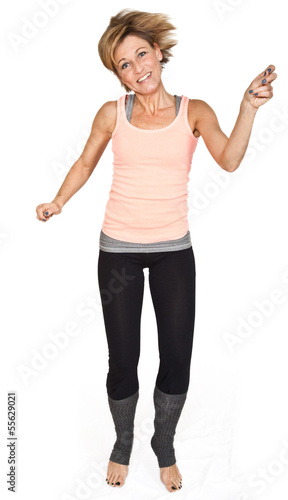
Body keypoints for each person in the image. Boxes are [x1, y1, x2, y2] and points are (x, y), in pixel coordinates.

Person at [35, 8, 277, 493]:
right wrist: (58, 201)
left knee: (176, 356)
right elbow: (85, 162)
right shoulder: (111, 114)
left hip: (174, 253)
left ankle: (162, 444)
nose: (137, 67)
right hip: (117, 252)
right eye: (124, 64)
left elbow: (229, 160)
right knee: (123, 358)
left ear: (160, 53)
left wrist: (248, 106)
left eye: (141, 54)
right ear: (117, 74)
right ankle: (123, 441)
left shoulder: (196, 111)